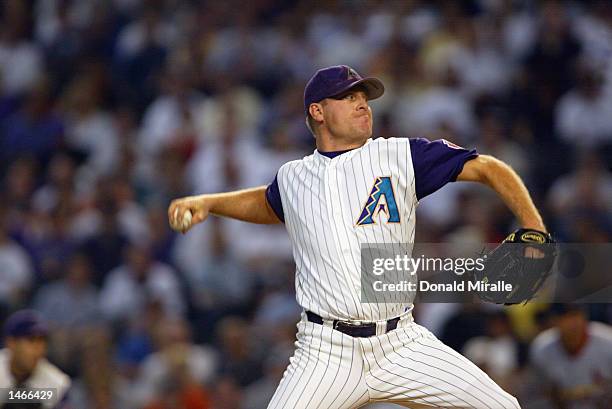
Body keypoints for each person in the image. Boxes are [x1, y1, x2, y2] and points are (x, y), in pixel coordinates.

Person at [168, 65, 548, 408]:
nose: (362, 104)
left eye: (364, 97)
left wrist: (535, 227)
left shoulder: (400, 155)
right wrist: (210, 202)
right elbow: (268, 203)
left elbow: (488, 169)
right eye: (348, 97)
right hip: (325, 351)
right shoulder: (293, 177)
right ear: (317, 111)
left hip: (401, 343)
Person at [528, 304, 612, 408]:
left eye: (574, 316)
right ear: (553, 321)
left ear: (584, 317)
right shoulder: (542, 348)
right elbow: (542, 393)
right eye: (564, 317)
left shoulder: (608, 342)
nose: (571, 323)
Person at [0, 310, 71, 409]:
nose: (39, 349)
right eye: (31, 341)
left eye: (42, 341)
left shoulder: (56, 383)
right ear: (11, 343)